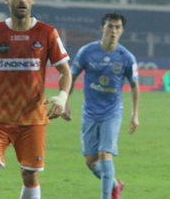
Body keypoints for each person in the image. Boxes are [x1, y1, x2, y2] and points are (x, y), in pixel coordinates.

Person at [0, 0, 72, 199]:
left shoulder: (47, 33)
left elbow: (65, 71)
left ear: (32, 0)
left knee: (30, 175)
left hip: (32, 118)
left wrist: (62, 97)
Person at [64, 12, 139, 199]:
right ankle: (115, 184)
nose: (113, 31)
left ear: (121, 31)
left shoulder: (126, 57)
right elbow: (71, 77)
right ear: (102, 28)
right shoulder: (86, 52)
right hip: (89, 113)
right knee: (90, 161)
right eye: (110, 26)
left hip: (112, 113)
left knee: (105, 154)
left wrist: (134, 114)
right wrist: (66, 102)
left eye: (117, 27)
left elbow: (134, 85)